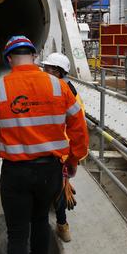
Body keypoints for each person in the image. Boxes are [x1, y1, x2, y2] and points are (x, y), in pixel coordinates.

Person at [0, 36, 89, 254]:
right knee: (40, 222)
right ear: (35, 56)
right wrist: (74, 159)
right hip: (50, 172)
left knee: (16, 235)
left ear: (8, 59)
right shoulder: (59, 87)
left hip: (16, 173)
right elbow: (78, 126)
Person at [41, 52, 86, 243]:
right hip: (54, 146)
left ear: (59, 72)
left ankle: (62, 226)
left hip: (59, 148)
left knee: (57, 189)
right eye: (45, 68)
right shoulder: (65, 89)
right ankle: (61, 226)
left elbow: (78, 125)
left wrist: (72, 157)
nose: (44, 71)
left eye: (48, 69)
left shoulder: (65, 92)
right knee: (57, 186)